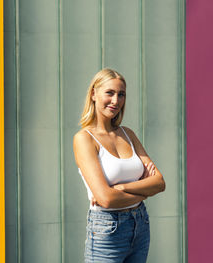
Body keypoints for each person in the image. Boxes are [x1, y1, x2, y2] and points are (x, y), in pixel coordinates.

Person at [73, 68, 166, 263]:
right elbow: (106, 199)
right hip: (107, 229)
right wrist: (145, 190)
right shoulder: (84, 139)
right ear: (93, 94)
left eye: (121, 94)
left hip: (140, 224)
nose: (116, 101)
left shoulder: (128, 134)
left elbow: (159, 182)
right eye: (110, 93)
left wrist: (122, 188)